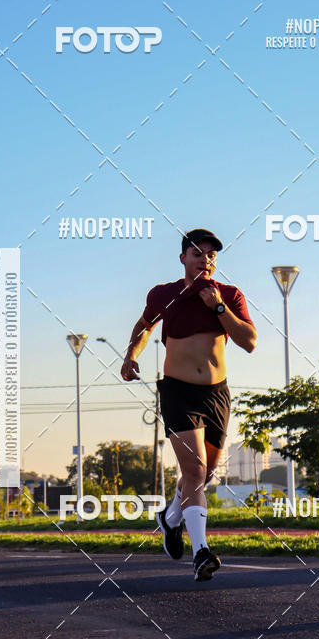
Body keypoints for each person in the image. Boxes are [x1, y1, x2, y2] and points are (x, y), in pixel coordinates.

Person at [121, 229, 257, 581]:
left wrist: (218, 308)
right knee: (195, 470)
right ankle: (201, 552)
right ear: (182, 257)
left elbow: (249, 342)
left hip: (216, 394)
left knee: (206, 473)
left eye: (211, 254)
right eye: (198, 253)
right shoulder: (164, 294)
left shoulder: (229, 295)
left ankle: (170, 519)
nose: (205, 259)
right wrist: (130, 355)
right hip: (178, 391)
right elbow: (144, 325)